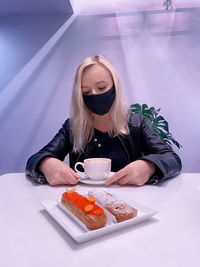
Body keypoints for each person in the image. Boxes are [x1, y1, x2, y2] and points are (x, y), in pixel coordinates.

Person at [25, 55, 182, 186]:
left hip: (132, 203)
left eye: (101, 88)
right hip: (85, 203)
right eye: (85, 91)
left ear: (115, 86)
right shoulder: (73, 127)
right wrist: (45, 163)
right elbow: (34, 160)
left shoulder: (136, 123)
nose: (94, 95)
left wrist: (149, 166)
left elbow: (172, 159)